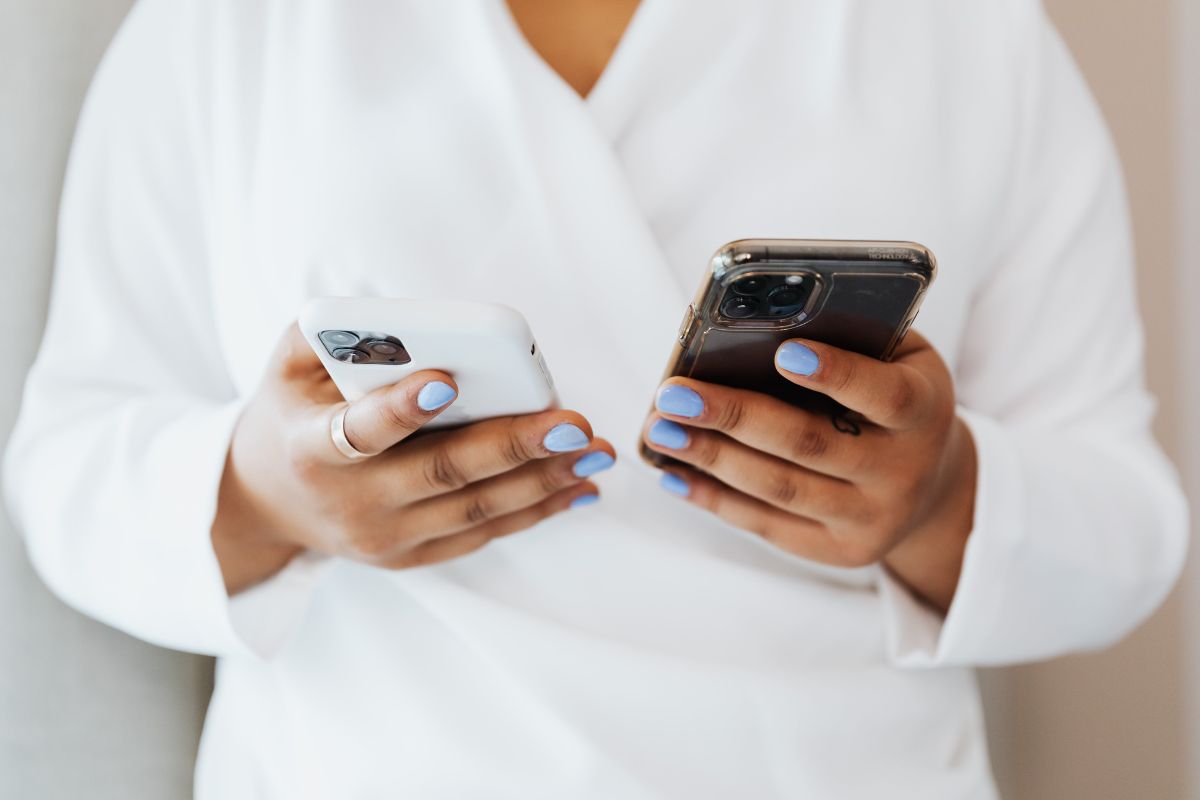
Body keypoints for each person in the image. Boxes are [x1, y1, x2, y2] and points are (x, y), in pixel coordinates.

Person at [3, 0, 1188, 797]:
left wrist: (940, 499)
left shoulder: (970, 32)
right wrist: (263, 494)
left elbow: (1128, 527)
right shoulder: (227, 27)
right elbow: (70, 468)